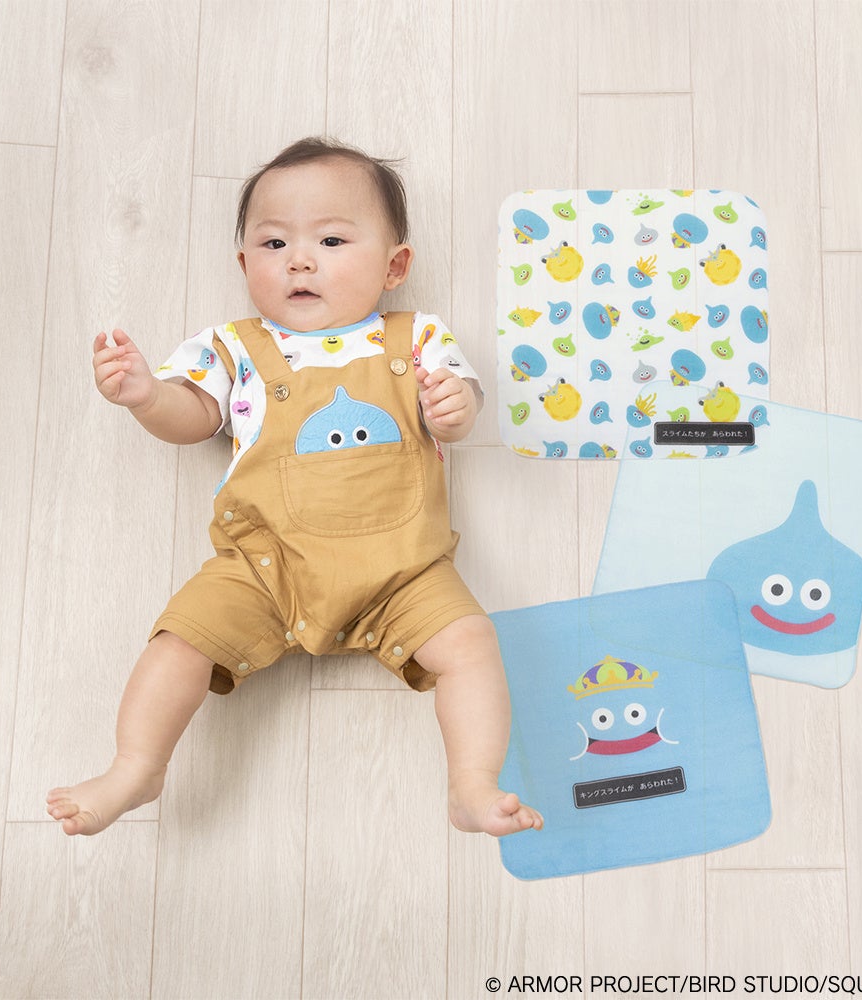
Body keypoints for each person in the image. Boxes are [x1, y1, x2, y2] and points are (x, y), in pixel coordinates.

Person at [47, 136, 543, 838]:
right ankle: (136, 767)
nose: (299, 261)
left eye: (332, 240)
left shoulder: (416, 338)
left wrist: (455, 407)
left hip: (406, 571)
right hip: (263, 566)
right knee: (179, 641)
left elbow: (461, 401)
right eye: (274, 243)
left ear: (395, 265)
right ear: (244, 264)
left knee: (471, 644)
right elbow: (195, 417)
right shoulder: (234, 348)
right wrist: (147, 396)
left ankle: (471, 782)